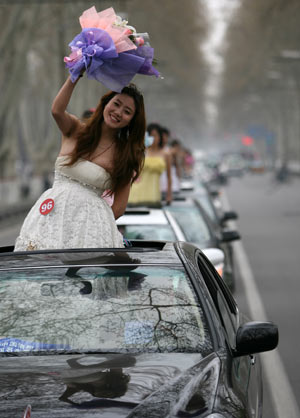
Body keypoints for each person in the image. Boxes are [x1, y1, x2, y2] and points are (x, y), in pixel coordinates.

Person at [14, 76, 146, 251]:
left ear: (131, 121)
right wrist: (74, 77)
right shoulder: (75, 129)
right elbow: (57, 111)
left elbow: (119, 208)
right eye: (116, 103)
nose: (118, 112)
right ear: (106, 103)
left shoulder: (125, 156)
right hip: (49, 219)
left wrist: (93, 225)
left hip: (89, 233)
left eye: (127, 111)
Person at [128, 123, 172, 207]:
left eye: (156, 135)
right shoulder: (141, 152)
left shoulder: (166, 154)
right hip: (136, 190)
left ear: (160, 137)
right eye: (151, 135)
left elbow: (169, 177)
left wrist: (169, 194)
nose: (154, 138)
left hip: (153, 192)